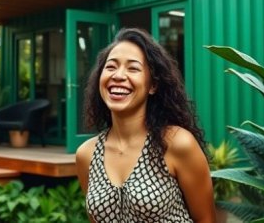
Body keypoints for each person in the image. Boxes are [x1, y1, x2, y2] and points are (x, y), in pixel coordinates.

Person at [76, 28, 218, 223]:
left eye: (133, 68)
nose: (118, 75)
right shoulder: (87, 154)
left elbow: (206, 220)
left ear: (153, 86)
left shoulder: (177, 143)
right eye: (111, 67)